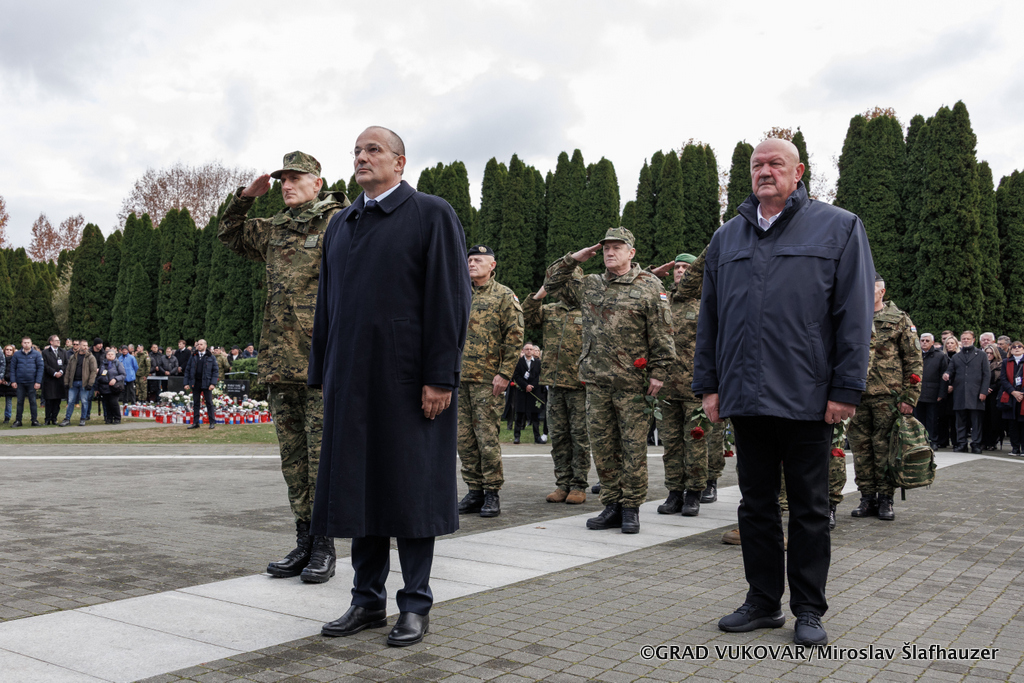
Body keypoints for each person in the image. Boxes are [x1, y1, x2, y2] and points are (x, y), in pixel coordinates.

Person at [693, 138, 874, 647]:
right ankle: (762, 601)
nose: (765, 171)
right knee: (755, 505)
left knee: (810, 508)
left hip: (807, 396)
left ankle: (809, 609)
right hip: (745, 396)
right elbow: (710, 318)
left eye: (776, 163)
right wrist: (709, 384)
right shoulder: (726, 237)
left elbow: (854, 314)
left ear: (799, 173)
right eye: (757, 165)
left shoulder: (839, 226)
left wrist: (846, 387)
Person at [309, 125, 470, 647]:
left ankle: (415, 604)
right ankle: (366, 601)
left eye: (373, 149)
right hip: (351, 383)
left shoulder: (430, 213)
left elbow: (450, 299)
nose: (362, 157)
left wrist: (439, 376)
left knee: (411, 491)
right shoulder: (342, 223)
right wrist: (323, 371)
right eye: (356, 151)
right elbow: (327, 304)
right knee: (360, 490)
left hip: (409, 383)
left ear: (400, 162)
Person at [219, 150, 350, 583]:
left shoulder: (340, 221)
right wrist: (244, 198)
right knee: (293, 461)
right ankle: (304, 541)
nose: (287, 186)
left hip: (321, 363)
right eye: (282, 180)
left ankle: (325, 546)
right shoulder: (275, 228)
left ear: (318, 182)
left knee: (322, 459)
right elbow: (229, 234)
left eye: (296, 178)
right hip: (280, 364)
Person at [545, 226, 675, 535]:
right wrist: (574, 258)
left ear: (632, 253)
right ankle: (612, 505)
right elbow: (551, 284)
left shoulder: (649, 285)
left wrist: (659, 372)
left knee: (632, 449)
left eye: (617, 247)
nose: (609, 252)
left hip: (633, 384)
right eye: (605, 248)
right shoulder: (590, 284)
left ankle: (631, 508)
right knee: (603, 448)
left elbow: (663, 333)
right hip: (597, 382)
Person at [847, 275, 922, 522]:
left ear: (882, 292)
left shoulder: (898, 319)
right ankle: (867, 497)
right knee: (860, 449)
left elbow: (913, 360)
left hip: (888, 396)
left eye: (871, 290)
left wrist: (910, 397)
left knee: (885, 449)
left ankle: (885, 498)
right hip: (856, 394)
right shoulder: (853, 316)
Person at [457, 245, 524, 518]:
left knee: (487, 438)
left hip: (488, 380)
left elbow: (515, 336)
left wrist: (505, 374)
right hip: (459, 378)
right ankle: (474, 490)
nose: (472, 264)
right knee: (464, 439)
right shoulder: (459, 292)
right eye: (469, 260)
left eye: (478, 260)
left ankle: (492, 492)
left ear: (492, 265)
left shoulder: (504, 295)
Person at [651, 251, 712, 517]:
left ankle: (694, 493)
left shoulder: (706, 301)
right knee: (671, 443)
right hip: (666, 386)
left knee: (695, 441)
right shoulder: (662, 300)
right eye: (677, 267)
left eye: (686, 267)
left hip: (695, 386)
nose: (680, 271)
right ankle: (674, 492)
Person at [523, 272, 591, 504]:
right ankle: (562, 484)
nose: (565, 288)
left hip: (580, 384)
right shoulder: (550, 310)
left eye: (570, 283)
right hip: (554, 383)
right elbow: (526, 316)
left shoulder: (590, 309)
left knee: (579, 437)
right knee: (559, 437)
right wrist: (542, 291)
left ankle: (578, 485)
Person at [944, 331, 990, 454]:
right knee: (960, 421)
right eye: (963, 339)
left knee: (976, 422)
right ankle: (961, 443)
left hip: (976, 393)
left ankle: (976, 444)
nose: (965, 341)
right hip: (960, 392)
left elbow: (986, 375)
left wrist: (983, 391)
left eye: (968, 339)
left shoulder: (981, 355)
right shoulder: (956, 356)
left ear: (973, 340)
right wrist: (947, 374)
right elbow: (950, 370)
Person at [914, 333, 949, 449]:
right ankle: (919, 440)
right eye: (922, 340)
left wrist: (942, 393)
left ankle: (932, 440)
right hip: (917, 392)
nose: (924, 342)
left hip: (933, 393)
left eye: (927, 340)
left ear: (932, 342)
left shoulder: (940, 356)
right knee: (918, 418)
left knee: (932, 419)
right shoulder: (915, 354)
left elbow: (943, 376)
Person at [511, 343, 543, 444]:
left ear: (533, 351)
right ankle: (517, 436)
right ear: (523, 350)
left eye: (531, 349)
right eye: (527, 349)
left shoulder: (538, 363)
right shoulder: (519, 362)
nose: (529, 351)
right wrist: (525, 386)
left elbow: (540, 376)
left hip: (534, 391)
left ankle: (537, 437)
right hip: (522, 391)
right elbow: (516, 375)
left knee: (535, 415)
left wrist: (532, 386)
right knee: (519, 414)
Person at [183, 339, 218, 430]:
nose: (199, 346)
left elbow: (215, 371)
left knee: (209, 403)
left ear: (205, 346)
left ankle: (212, 422)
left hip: (206, 383)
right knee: (196, 403)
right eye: (198, 344)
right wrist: (186, 383)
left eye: (201, 344)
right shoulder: (193, 356)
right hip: (196, 382)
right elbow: (187, 370)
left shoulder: (211, 357)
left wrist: (213, 383)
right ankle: (195, 423)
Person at [10, 337, 44, 427]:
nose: (26, 344)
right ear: (22, 343)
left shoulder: (37, 354)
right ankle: (18, 420)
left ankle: (34, 420)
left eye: (28, 342)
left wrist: (38, 381)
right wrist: (13, 380)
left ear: (31, 343)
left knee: (33, 401)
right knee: (19, 402)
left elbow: (40, 368)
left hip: (32, 382)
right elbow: (12, 368)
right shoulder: (16, 354)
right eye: (24, 342)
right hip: (20, 382)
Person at [61, 341, 97, 426]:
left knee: (84, 401)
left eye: (87, 345)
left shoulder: (91, 357)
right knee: (70, 401)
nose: (85, 347)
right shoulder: (73, 357)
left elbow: (93, 371)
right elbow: (68, 370)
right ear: (79, 346)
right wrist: (66, 382)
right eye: (84, 345)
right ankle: (67, 419)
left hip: (84, 383)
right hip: (73, 382)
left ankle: (83, 418)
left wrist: (90, 383)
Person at [998, 341, 1024, 456]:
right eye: (1014, 347)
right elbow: (1003, 379)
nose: (1017, 348)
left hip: (1023, 396)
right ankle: (1015, 448)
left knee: (1023, 423)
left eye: (1019, 346)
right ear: (1010, 350)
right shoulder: (1006, 362)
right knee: (1012, 424)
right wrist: (1013, 392)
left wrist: (1021, 393)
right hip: (1011, 396)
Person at [95, 348, 126, 424]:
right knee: (106, 403)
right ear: (106, 355)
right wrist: (97, 388)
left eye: (112, 354)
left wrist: (115, 379)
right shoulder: (103, 364)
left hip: (114, 387)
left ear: (115, 355)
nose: (110, 356)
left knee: (113, 403)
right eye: (108, 354)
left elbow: (123, 375)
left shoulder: (118, 363)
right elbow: (98, 376)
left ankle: (117, 418)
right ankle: (109, 418)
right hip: (104, 387)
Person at [982, 343, 1004, 450]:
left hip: (994, 394)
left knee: (993, 419)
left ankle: (992, 441)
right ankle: (983, 441)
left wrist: (991, 388)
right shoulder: (980, 364)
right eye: (987, 353)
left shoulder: (1000, 365)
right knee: (983, 419)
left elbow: (1001, 380)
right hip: (982, 393)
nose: (989, 355)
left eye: (991, 353)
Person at [41, 335, 66, 425]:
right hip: (50, 379)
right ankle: (47, 419)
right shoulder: (45, 352)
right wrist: (54, 373)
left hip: (60, 380)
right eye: (56, 340)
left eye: (59, 340)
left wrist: (61, 371)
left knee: (57, 401)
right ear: (51, 342)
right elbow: (45, 365)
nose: (58, 342)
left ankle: (54, 418)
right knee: (49, 401)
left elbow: (66, 363)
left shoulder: (63, 352)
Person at [0, 345, 14, 423]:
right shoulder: (1, 359)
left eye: (10, 350)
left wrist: (6, 378)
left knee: (8, 401)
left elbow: (13, 371)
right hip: (1, 382)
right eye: (7, 349)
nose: (8, 351)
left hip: (9, 383)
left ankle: (7, 417)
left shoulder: (14, 360)